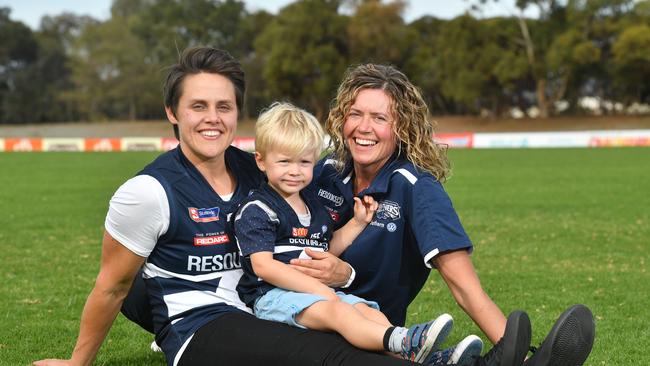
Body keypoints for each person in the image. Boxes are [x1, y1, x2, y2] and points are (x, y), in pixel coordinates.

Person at [32, 47, 532, 366]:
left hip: (254, 305)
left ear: (238, 116)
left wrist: (343, 270)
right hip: (208, 321)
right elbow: (116, 285)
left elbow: (319, 220)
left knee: (337, 329)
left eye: (223, 107)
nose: (212, 119)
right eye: (197, 107)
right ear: (172, 113)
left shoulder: (262, 170)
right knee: (325, 347)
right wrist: (77, 365)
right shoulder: (148, 192)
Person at [289, 63, 595, 366]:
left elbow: (463, 285)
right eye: (355, 114)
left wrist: (510, 346)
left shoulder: (416, 187)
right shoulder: (323, 172)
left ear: (402, 128)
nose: (363, 127)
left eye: (380, 118)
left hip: (372, 334)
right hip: (296, 312)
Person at [233, 102, 483, 365]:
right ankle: (405, 342)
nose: (295, 171)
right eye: (284, 162)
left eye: (304, 162)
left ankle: (423, 356)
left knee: (367, 311)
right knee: (340, 313)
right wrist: (318, 289)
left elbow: (324, 251)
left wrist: (358, 223)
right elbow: (263, 267)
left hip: (313, 295)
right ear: (261, 161)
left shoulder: (312, 206)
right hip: (272, 297)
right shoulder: (258, 208)